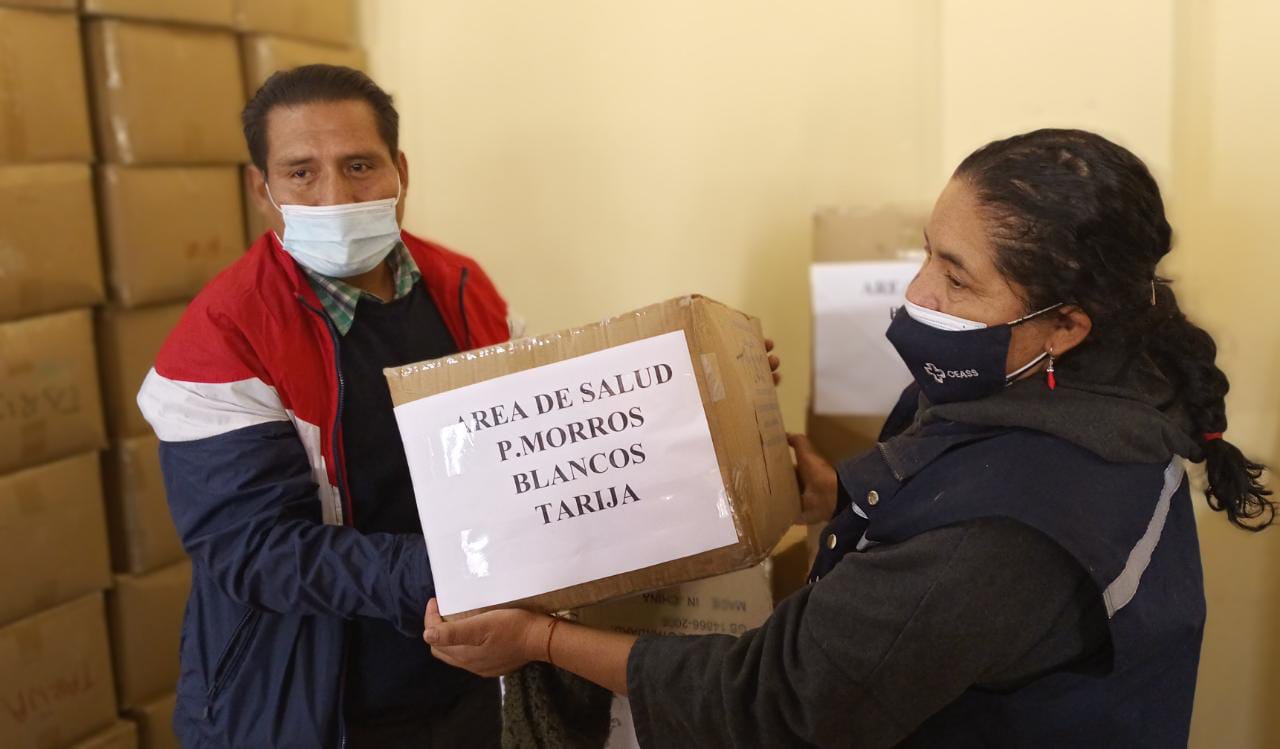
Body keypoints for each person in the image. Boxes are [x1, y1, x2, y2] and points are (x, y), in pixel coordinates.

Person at [420, 129, 1276, 748]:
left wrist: (538, 640)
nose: (915, 290)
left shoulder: (1002, 541)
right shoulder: (1103, 382)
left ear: (1064, 325)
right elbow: (956, 467)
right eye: (928, 253)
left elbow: (778, 704)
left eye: (956, 276)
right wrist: (832, 488)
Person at [137, 65, 515, 747]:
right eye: (302, 173)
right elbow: (254, 547)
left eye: (360, 165)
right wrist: (456, 570)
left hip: (473, 684)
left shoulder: (464, 289)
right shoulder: (223, 334)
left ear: (401, 171)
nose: (336, 195)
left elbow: (535, 432)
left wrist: (691, 392)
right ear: (263, 189)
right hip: (305, 703)